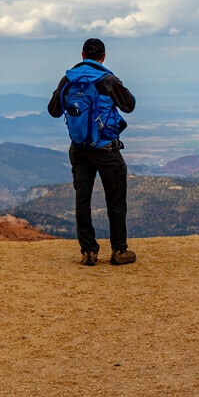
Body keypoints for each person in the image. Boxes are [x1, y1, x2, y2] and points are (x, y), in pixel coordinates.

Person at [48, 38, 137, 266]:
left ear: (82, 54)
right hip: (106, 149)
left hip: (79, 150)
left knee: (82, 200)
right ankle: (119, 251)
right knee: (115, 201)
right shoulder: (107, 79)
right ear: (103, 56)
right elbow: (129, 105)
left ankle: (88, 251)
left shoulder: (68, 79)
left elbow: (53, 110)